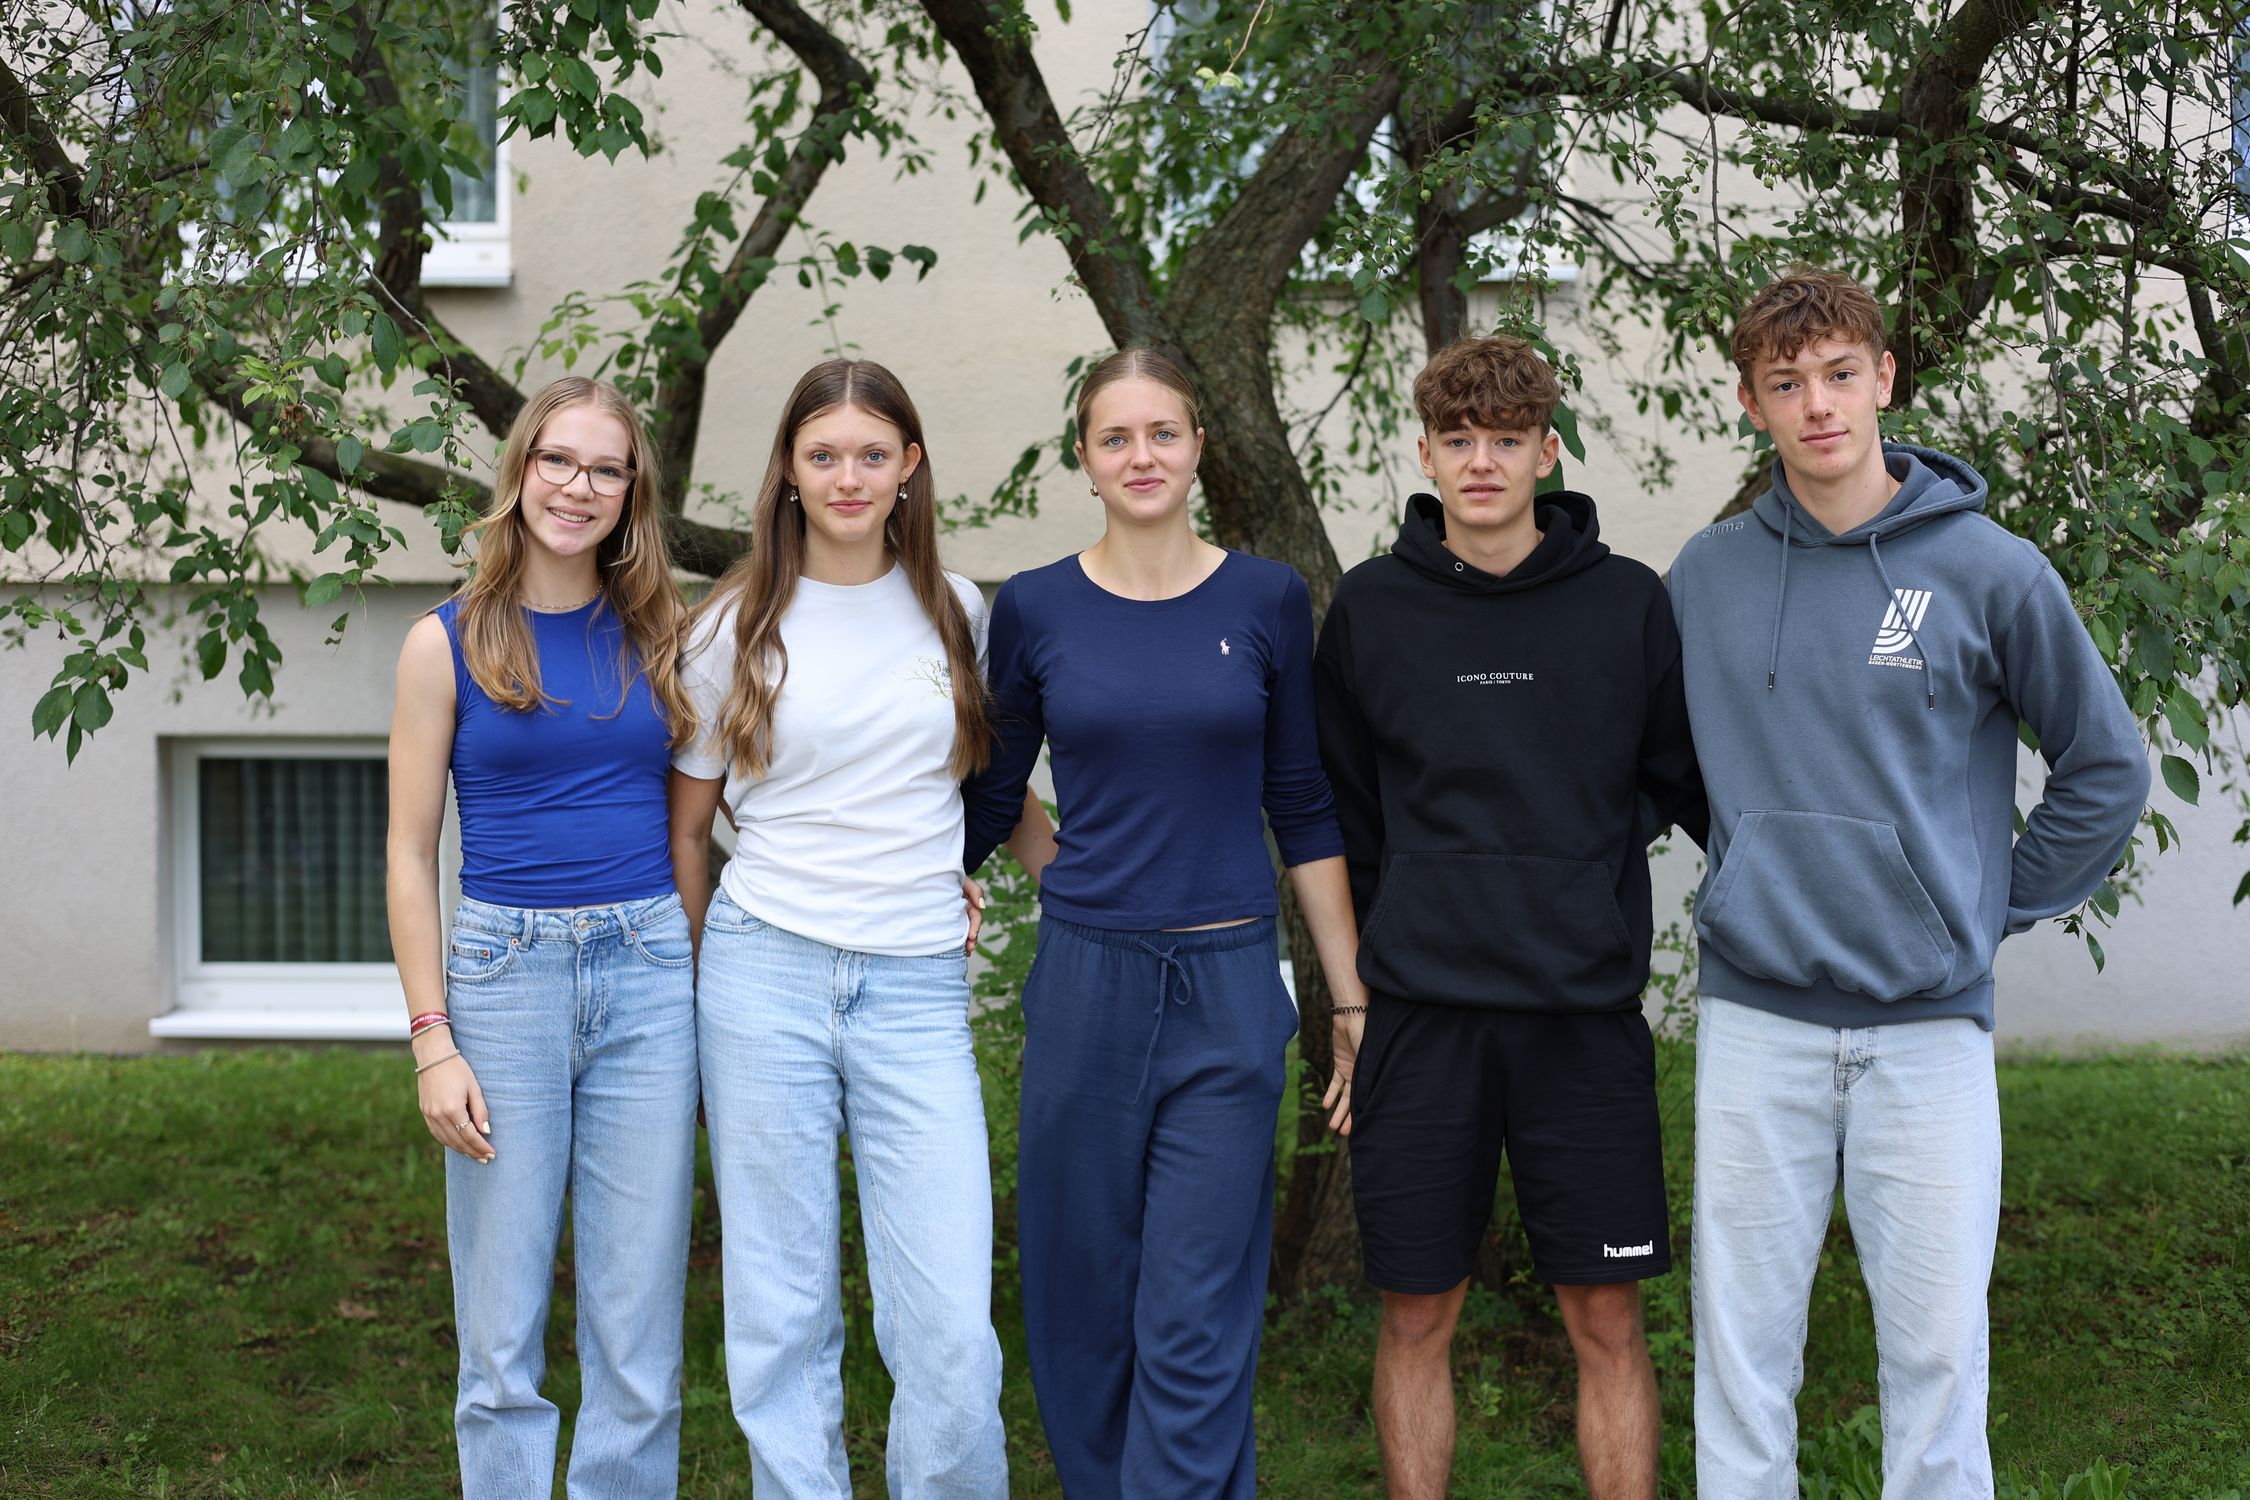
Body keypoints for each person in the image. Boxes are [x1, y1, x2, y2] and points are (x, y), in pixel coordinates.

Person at [1671, 267, 2149, 1497]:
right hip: (1758, 1018)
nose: (1819, 405)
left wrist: (1986, 904)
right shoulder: (1706, 577)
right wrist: (1755, 870)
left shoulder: (1992, 570)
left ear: (1884, 379)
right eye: (1787, 383)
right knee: (1740, 1362)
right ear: (1751, 404)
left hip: (1929, 1029)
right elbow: (1666, 765)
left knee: (1937, 1364)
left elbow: (2106, 765)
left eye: (1841, 374)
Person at [959, 346, 1371, 1500]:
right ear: (1084, 459)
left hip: (1228, 986)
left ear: (1197, 447)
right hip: (1086, 984)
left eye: (1163, 433)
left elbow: (1301, 802)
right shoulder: (1034, 606)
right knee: (1083, 1304)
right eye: (1115, 437)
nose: (1141, 456)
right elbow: (995, 789)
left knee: (1196, 1311)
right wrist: (1053, 874)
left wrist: (1347, 997)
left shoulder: (1267, 599)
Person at [1312, 333, 1704, 1500]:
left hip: (1581, 1014)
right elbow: (1344, 816)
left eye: (1506, 438)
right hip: (1421, 1015)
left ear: (1546, 451)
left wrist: (1570, 860)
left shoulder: (1627, 603)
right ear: (1425, 453)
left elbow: (1678, 780)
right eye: (1459, 439)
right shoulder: (1372, 609)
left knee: (1606, 1316)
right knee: (1415, 1313)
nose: (1481, 462)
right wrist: (1353, 999)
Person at [669, 358, 1021, 1500]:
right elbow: (689, 832)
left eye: (873, 454)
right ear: (788, 469)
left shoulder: (958, 610)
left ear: (910, 466)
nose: (848, 477)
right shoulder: (732, 625)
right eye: (823, 455)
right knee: (782, 1308)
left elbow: (969, 789)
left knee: (951, 1325)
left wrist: (951, 876)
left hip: (916, 986)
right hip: (763, 973)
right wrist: (699, 977)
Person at [386, 376, 701, 1499]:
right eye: (558, 460)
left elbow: (722, 814)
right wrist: (432, 1039)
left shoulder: (668, 635)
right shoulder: (444, 642)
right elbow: (409, 853)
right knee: (501, 1330)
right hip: (503, 981)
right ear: (520, 471)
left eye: (607, 468)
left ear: (632, 493)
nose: (579, 486)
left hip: (650, 974)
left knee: (639, 1330)